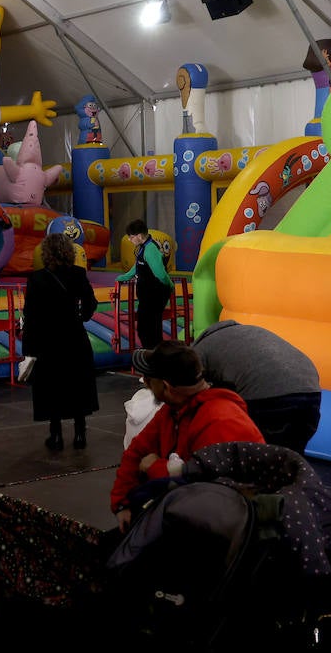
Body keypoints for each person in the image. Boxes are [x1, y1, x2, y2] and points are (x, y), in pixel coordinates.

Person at [110, 341, 264, 532]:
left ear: (166, 386)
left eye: (148, 380)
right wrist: (122, 504)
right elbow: (136, 452)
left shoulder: (220, 421)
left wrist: (156, 467)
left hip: (229, 528)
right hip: (196, 514)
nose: (146, 384)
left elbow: (210, 493)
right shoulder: (173, 411)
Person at [193, 319, 322, 454]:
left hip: (268, 394)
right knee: (291, 456)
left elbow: (192, 394)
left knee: (259, 456)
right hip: (311, 390)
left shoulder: (199, 350)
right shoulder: (249, 332)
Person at [22, 232, 99, 450]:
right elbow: (91, 303)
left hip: (47, 340)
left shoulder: (36, 279)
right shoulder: (78, 274)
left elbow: (31, 315)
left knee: (52, 387)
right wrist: (81, 317)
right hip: (74, 337)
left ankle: (55, 435)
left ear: (46, 253)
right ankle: (80, 434)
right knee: (78, 385)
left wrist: (28, 348)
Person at [114, 219, 172, 348]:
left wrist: (169, 285)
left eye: (131, 237)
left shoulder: (150, 249)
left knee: (149, 330)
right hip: (148, 296)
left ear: (139, 236)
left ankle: (154, 355)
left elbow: (161, 274)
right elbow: (137, 266)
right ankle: (153, 353)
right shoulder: (143, 247)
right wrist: (124, 277)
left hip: (154, 296)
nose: (129, 240)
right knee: (146, 329)